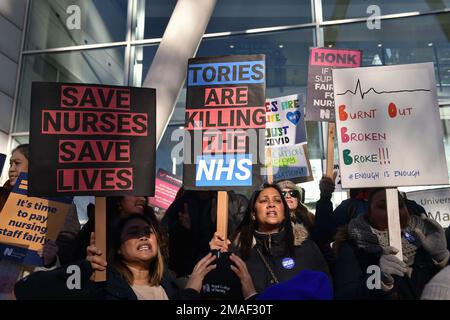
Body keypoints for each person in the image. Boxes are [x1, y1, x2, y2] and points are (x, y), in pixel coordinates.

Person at [211, 183, 331, 294]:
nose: (271, 204)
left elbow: (325, 290)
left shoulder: (307, 248)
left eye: (278, 201)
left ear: (284, 213)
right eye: (264, 201)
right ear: (253, 214)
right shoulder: (236, 253)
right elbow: (219, 291)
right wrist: (216, 257)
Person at [333, 188, 449, 300]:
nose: (393, 211)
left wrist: (442, 258)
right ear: (369, 214)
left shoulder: (423, 237)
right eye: (382, 206)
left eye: (399, 205)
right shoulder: (352, 247)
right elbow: (345, 294)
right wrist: (379, 280)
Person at [0, 144, 80, 268]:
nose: (11, 169)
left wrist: (52, 256)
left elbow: (69, 245)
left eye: (17, 163)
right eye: (10, 164)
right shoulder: (3, 197)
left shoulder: (59, 202)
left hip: (34, 275)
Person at [162, 189, 248, 277]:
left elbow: (240, 236)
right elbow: (164, 235)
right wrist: (184, 229)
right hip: (189, 273)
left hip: (225, 269)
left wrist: (222, 220)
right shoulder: (184, 201)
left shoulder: (236, 202)